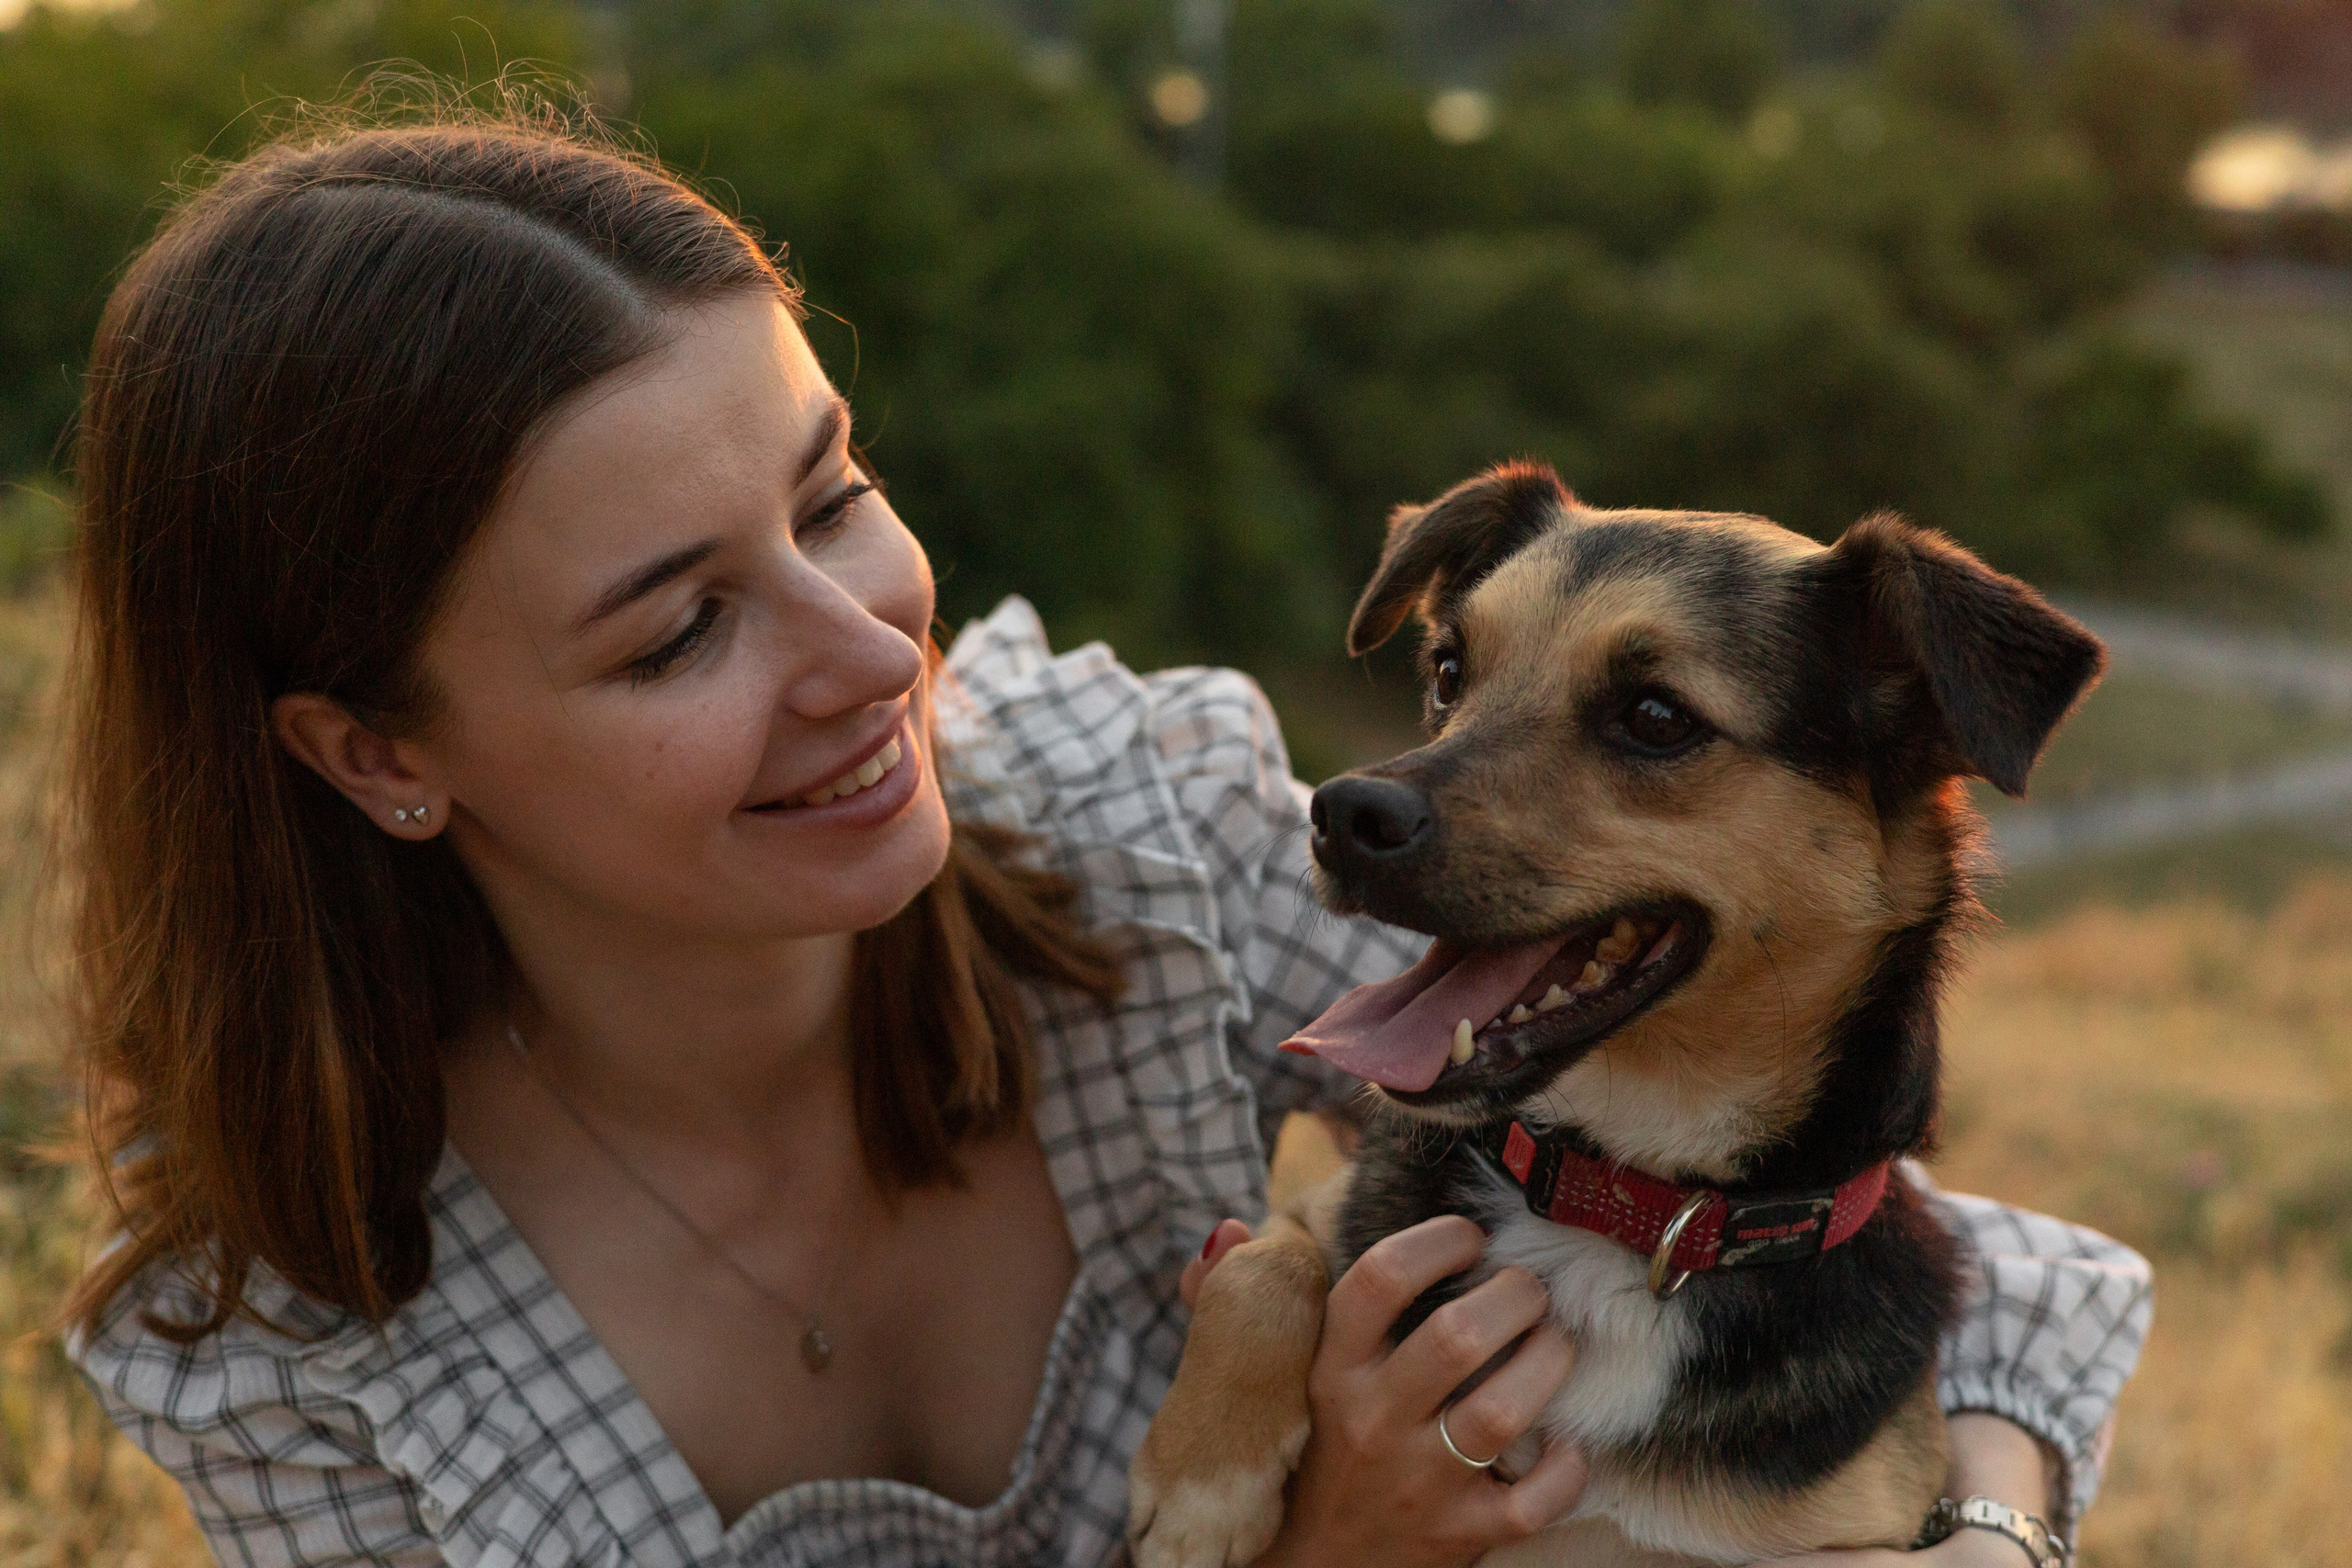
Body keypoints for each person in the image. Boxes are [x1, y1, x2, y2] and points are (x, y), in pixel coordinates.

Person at [62, 110, 2150, 1568]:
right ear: (372, 750)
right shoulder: (289, 1338)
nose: (868, 651)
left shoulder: (1121, 842)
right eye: (678, 624)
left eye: (831, 496)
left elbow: (1994, 1280)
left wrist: (1976, 1529)